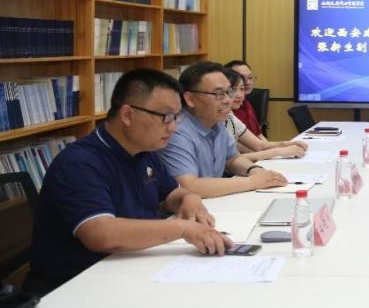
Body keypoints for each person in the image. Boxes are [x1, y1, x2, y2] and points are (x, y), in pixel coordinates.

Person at [26, 69, 232, 295]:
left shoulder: (144, 151)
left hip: (128, 269)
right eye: (166, 116)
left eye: (176, 117)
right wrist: (182, 228)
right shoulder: (79, 163)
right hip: (73, 288)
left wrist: (189, 198)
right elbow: (101, 234)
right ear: (127, 115)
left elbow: (170, 194)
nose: (173, 126)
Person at [160, 61, 287, 198]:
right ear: (190, 99)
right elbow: (189, 186)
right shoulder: (176, 131)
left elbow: (232, 159)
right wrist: (252, 182)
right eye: (219, 93)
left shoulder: (216, 120)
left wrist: (254, 170)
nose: (228, 100)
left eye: (229, 92)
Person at [222, 68, 307, 161]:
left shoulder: (230, 116)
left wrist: (287, 144)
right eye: (232, 89)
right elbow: (230, 160)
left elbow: (260, 145)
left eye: (242, 89)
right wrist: (278, 152)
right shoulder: (217, 119)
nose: (239, 95)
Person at [224, 59, 265, 138]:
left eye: (250, 77)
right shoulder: (226, 112)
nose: (247, 82)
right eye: (241, 77)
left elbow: (258, 135)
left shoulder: (246, 103)